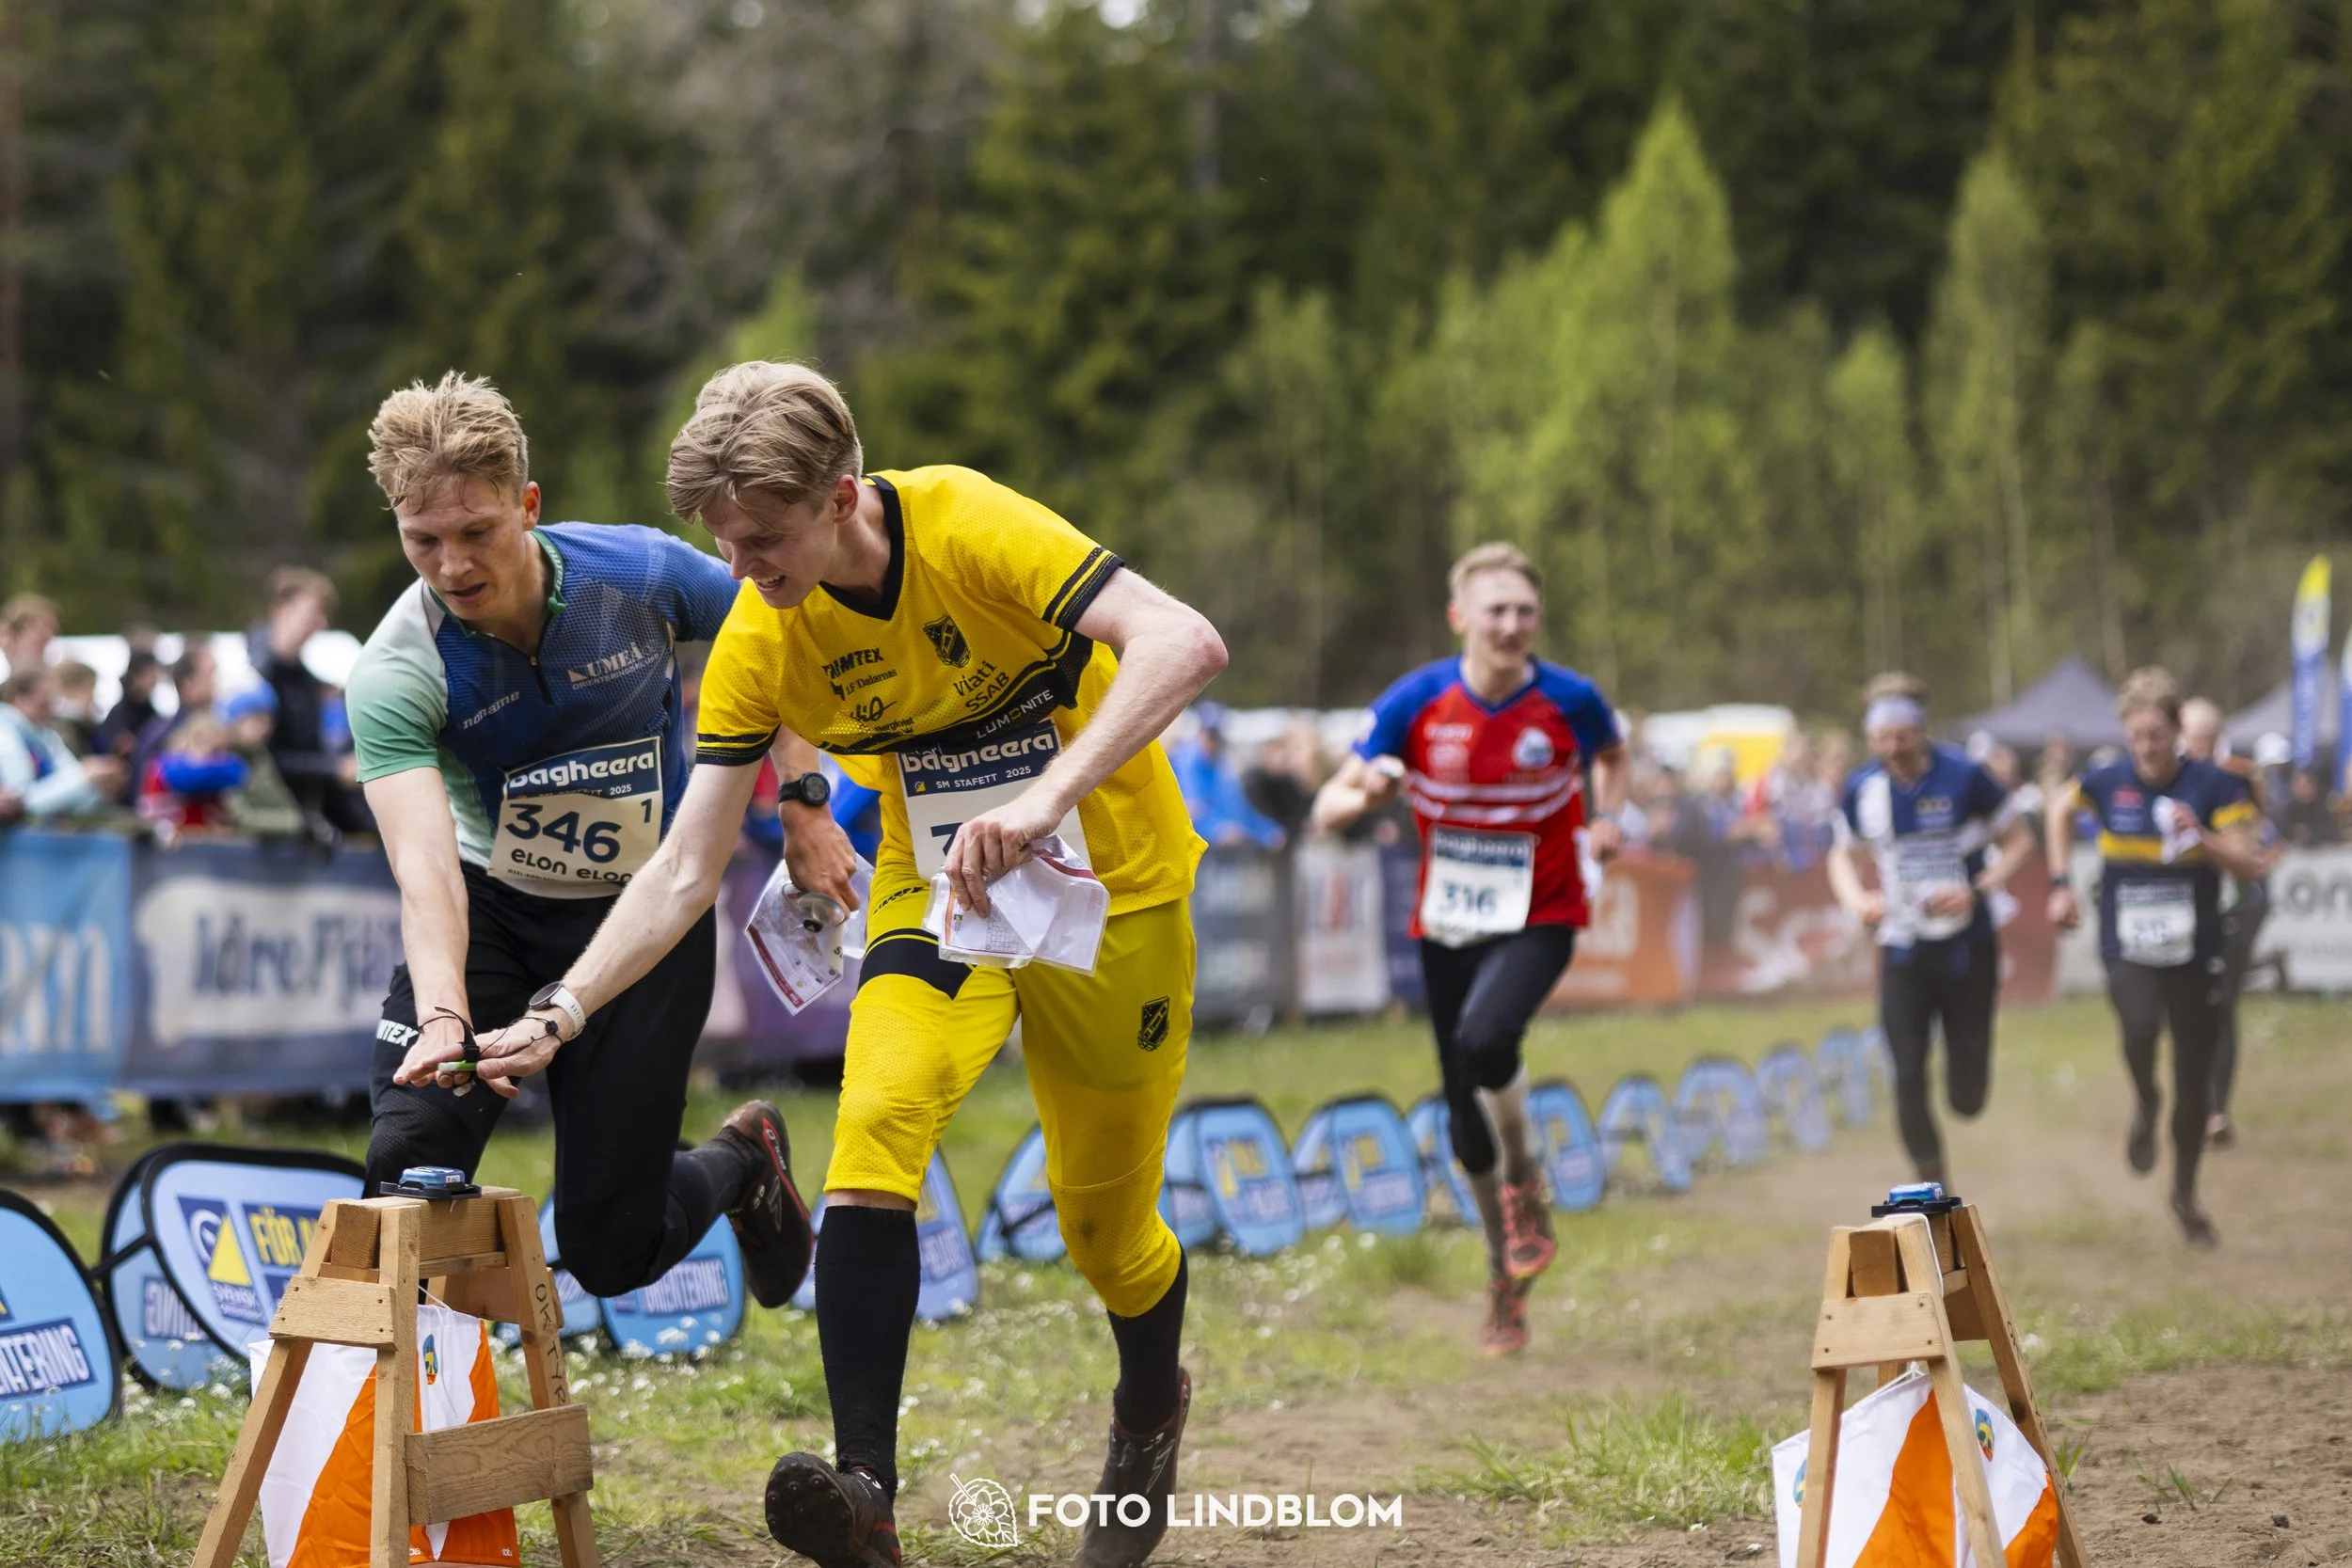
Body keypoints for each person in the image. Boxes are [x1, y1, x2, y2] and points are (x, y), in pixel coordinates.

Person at [453, 361, 1226, 1568]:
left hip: (1116, 891)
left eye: (765, 538)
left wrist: (1043, 797)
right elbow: (680, 868)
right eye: (725, 540)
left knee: (1107, 1229)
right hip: (946, 892)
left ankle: (1144, 1416)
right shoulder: (765, 633)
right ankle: (863, 1486)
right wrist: (563, 1007)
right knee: (875, 1126)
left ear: (844, 497)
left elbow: (1186, 640)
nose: (744, 568)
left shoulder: (968, 524)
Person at [342, 372, 817, 1341]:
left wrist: (803, 800)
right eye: (421, 538)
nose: (451, 562)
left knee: (609, 1248)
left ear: (529, 503)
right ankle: (421, 1452)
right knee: (403, 1174)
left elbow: (772, 630)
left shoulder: (636, 573)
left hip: (642, 921)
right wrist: (443, 1013)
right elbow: (426, 868)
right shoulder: (398, 668)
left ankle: (742, 1157)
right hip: (494, 914)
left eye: (476, 530)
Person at [1311, 542, 1628, 1357]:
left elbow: (1612, 752)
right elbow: (1325, 808)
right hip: (1447, 922)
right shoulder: (1416, 701)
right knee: (1461, 1111)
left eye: (1525, 610)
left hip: (1545, 909)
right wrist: (1366, 792)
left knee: (1489, 1038)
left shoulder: (1570, 699)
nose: (1512, 625)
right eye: (1497, 610)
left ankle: (1525, 1175)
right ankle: (1502, 1271)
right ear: (1463, 617)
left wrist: (1607, 816)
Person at [2046, 668, 2268, 1247]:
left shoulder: (2218, 786)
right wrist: (2059, 881)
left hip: (2196, 953)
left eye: (2156, 735)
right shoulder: (2105, 780)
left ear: (2177, 730)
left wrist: (2205, 839)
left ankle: (2185, 1195)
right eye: (2136, 735)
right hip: (2130, 946)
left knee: (2194, 1079)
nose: (2146, 747)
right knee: (2140, 1030)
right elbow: (2057, 810)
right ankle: (2145, 1100)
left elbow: (2250, 864)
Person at [1825, 673, 2033, 1185]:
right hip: (1903, 950)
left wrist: (1978, 889)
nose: (1893, 749)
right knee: (1907, 1075)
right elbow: (1841, 855)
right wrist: (1857, 900)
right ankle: (1935, 1189)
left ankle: (1967, 1084)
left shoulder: (1966, 776)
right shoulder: (1862, 788)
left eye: (1903, 737)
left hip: (1968, 948)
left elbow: (2020, 841)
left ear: (1922, 731)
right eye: (1882, 739)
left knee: (1966, 1097)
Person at [2179, 697, 2280, 1148]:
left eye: (2203, 738)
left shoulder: (2237, 778)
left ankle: (2216, 1111)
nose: (2195, 746)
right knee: (2185, 1012)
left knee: (2221, 1008)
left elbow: (2258, 838)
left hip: (2234, 909)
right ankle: (2191, 1104)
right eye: (2190, 738)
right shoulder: (2170, 779)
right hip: (2184, 916)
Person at [251, 565, 373, 838]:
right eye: (314, 612)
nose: (322, 623)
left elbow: (311, 747)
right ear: (281, 608)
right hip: (264, 823)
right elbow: (262, 759)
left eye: (324, 615)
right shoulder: (252, 674)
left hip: (303, 819)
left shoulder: (307, 682)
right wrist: (333, 769)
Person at [0, 668, 126, 819]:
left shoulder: (43, 734)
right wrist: (85, 777)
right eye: (44, 701)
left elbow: (74, 783)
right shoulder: (6, 735)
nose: (52, 709)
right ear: (20, 699)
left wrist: (99, 785)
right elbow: (23, 803)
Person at [0, 593, 58, 677]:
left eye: (52, 628)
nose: (48, 635)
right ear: (14, 633)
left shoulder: (51, 671)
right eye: (41, 629)